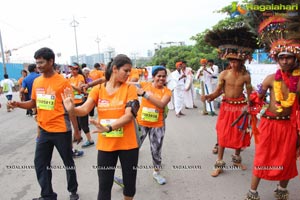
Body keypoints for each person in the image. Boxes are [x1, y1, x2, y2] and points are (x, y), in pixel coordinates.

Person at [62, 54, 140, 200]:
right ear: (115, 69)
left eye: (130, 71)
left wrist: (109, 127)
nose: (129, 74)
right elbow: (84, 109)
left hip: (128, 145)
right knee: (104, 186)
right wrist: (72, 109)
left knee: (129, 185)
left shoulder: (129, 89)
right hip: (106, 146)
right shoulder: (98, 89)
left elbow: (129, 115)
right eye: (126, 70)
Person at [7, 47, 80, 200]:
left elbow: (71, 108)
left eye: (41, 62)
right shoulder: (37, 81)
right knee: (40, 163)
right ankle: (48, 195)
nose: (38, 66)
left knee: (68, 161)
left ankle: (73, 190)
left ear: (51, 61)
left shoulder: (63, 82)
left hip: (61, 129)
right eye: (36, 63)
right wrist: (18, 104)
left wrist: (76, 130)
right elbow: (33, 102)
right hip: (44, 130)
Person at [244, 14, 300, 200]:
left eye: (289, 58)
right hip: (269, 124)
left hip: (289, 126)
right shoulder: (269, 79)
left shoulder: (299, 82)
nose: (285, 61)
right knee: (262, 157)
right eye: (281, 57)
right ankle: (253, 192)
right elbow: (258, 98)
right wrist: (251, 105)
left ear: (295, 59)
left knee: (287, 158)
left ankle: (281, 190)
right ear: (277, 59)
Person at [203, 26, 258, 177]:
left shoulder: (246, 76)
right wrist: (210, 97)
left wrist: (251, 104)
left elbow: (250, 92)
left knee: (239, 133)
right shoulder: (224, 74)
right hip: (227, 107)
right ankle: (219, 162)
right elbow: (219, 90)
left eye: (236, 61)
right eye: (231, 61)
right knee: (223, 134)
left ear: (241, 61)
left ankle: (236, 158)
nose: (233, 64)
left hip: (240, 107)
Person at [136, 65, 172, 184]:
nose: (161, 78)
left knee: (156, 150)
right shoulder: (144, 85)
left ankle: (156, 173)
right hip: (141, 123)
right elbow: (126, 83)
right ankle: (128, 176)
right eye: (159, 76)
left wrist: (145, 94)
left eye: (163, 76)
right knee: (132, 149)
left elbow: (161, 104)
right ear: (153, 77)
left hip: (157, 125)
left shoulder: (167, 91)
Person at [69, 63, 94, 148]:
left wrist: (71, 85)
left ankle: (90, 140)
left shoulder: (80, 77)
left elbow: (79, 89)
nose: (72, 71)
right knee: (76, 122)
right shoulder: (71, 78)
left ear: (77, 70)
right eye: (71, 69)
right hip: (74, 102)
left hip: (81, 102)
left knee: (83, 122)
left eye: (74, 69)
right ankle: (78, 136)